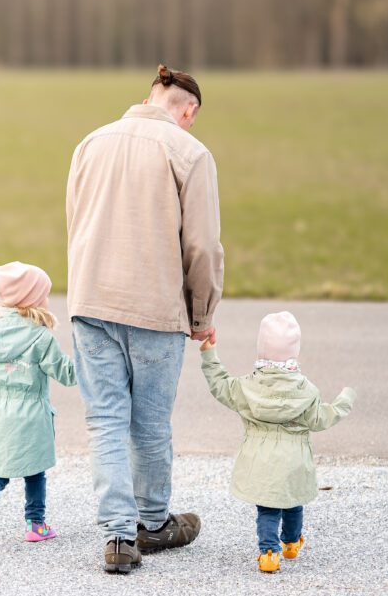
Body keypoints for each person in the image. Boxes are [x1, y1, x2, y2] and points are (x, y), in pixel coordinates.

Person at [65, 64, 224, 572]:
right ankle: (152, 524)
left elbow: (75, 220)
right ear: (188, 109)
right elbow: (201, 246)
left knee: (106, 421)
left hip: (90, 299)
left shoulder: (90, 142)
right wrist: (202, 315)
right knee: (150, 424)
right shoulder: (189, 152)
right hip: (155, 305)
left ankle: (116, 537)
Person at [199, 311, 356, 573]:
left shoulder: (247, 387)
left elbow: (220, 385)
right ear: (294, 351)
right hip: (295, 463)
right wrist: (346, 399)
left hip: (261, 462)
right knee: (294, 503)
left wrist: (209, 355)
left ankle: (269, 553)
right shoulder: (306, 390)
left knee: (268, 509)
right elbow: (322, 418)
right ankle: (291, 543)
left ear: (261, 349)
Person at [0, 262, 76, 551]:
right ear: (33, 300)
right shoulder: (40, 337)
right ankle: (36, 525)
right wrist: (90, 361)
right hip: (31, 414)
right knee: (35, 471)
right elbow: (67, 374)